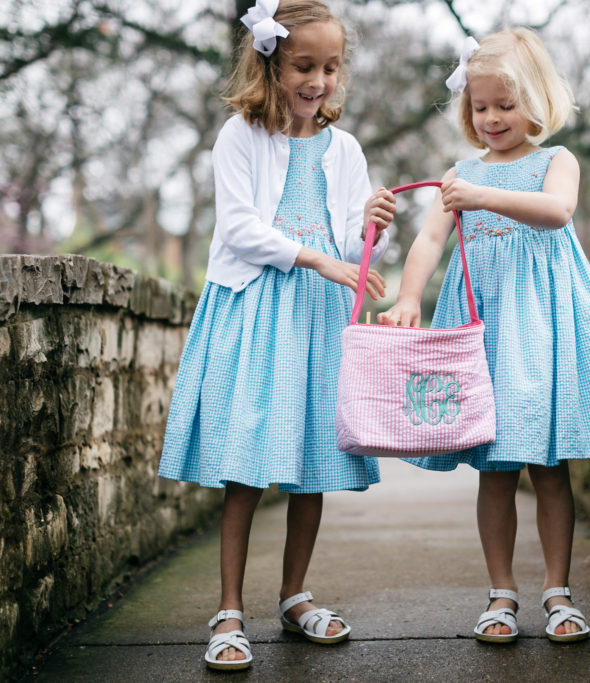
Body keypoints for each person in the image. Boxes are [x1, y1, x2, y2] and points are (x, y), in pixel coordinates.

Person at [378, 27, 590, 644]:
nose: (492, 118)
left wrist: (482, 195)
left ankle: (559, 591)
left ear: (538, 101)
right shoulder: (460, 173)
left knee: (548, 466)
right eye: (480, 106)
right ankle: (501, 594)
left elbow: (557, 212)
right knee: (494, 468)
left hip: (543, 326)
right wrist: (410, 296)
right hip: (485, 328)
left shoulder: (557, 161)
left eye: (506, 104)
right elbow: (427, 239)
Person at [157, 0, 396, 670]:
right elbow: (238, 228)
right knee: (248, 463)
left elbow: (352, 240)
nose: (319, 80)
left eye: (331, 67)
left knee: (309, 460)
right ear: (271, 63)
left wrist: (374, 225)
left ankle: (294, 595)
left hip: (317, 316)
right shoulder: (241, 135)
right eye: (304, 66)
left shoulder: (344, 148)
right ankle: (229, 609)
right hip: (259, 308)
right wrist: (317, 256)